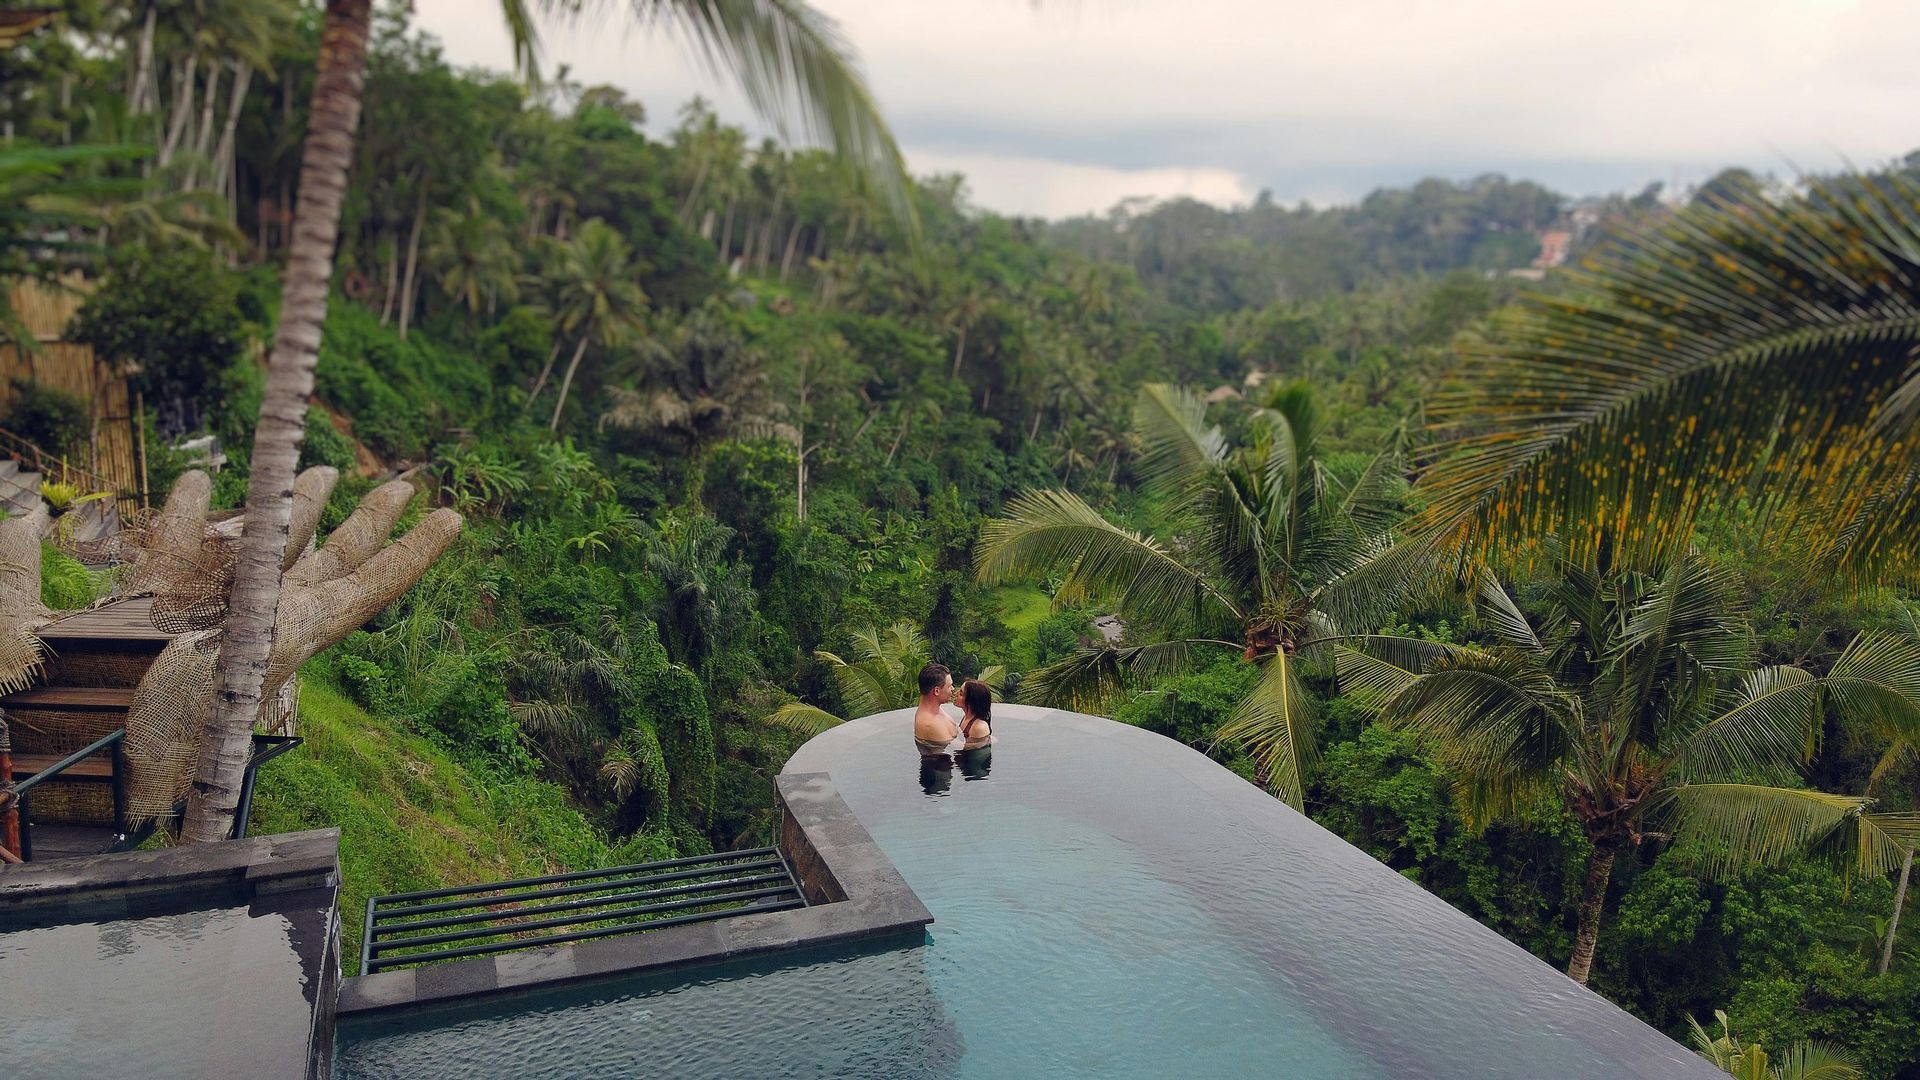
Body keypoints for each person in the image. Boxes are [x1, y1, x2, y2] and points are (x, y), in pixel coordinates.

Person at [912, 662, 960, 756]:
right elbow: (960, 748)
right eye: (950, 686)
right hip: (939, 768)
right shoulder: (931, 724)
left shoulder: (936, 711)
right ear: (937, 691)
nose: (953, 689)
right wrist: (988, 740)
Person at [957, 679, 994, 750]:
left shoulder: (979, 727)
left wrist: (949, 741)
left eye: (961, 694)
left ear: (971, 701)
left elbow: (976, 750)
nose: (955, 694)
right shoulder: (967, 717)